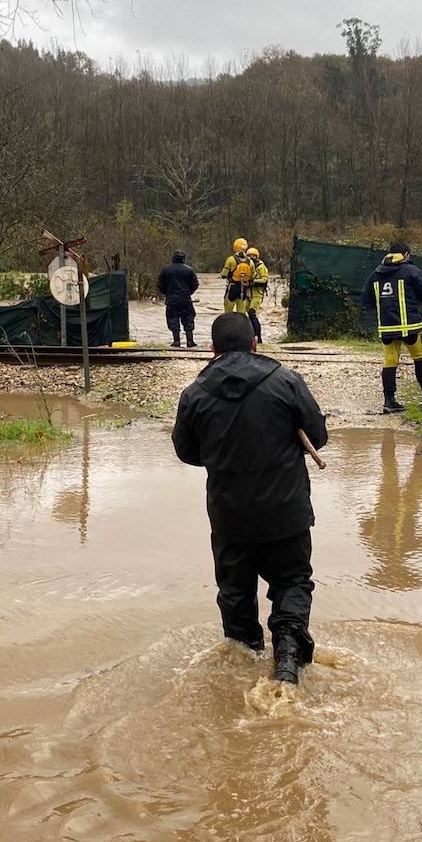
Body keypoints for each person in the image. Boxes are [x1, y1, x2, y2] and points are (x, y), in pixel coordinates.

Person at [171, 312, 329, 684]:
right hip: (286, 513)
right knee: (292, 582)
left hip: (230, 518)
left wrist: (222, 456)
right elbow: (317, 436)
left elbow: (186, 452)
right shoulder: (286, 381)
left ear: (212, 349)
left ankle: (239, 673)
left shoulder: (195, 394)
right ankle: (288, 659)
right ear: (255, 342)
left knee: (236, 596)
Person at [361, 240, 422, 413]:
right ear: (406, 255)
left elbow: (366, 300)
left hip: (387, 329)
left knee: (389, 362)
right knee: (420, 358)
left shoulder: (375, 274)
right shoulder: (410, 270)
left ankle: (389, 401)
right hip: (410, 327)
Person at [157, 249, 200, 347]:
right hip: (185, 299)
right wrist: (189, 292)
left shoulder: (165, 270)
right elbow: (195, 284)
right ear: (183, 259)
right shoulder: (189, 270)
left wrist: (167, 293)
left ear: (173, 258)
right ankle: (190, 341)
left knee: (173, 319)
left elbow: (160, 284)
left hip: (171, 300)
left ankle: (176, 341)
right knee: (188, 319)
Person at [220, 238, 253, 314]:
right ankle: (241, 325)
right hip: (243, 289)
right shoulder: (250, 261)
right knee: (241, 313)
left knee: (228, 313)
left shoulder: (231, 259)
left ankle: (229, 325)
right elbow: (252, 276)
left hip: (232, 288)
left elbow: (224, 274)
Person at [244, 246, 269, 343]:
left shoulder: (261, 266)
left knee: (252, 313)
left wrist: (253, 282)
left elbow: (264, 279)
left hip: (257, 294)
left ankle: (258, 338)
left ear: (257, 256)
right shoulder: (246, 266)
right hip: (248, 294)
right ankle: (250, 337)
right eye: (249, 256)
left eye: (253, 256)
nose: (251, 258)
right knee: (247, 315)